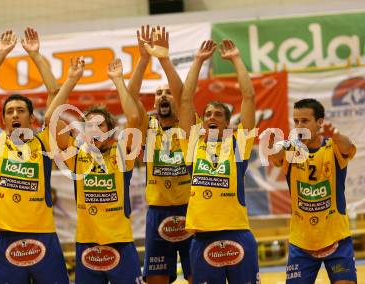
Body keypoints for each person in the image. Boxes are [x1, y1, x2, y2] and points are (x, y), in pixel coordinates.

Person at [0, 28, 69, 283]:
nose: (15, 115)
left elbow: (55, 95)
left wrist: (36, 55)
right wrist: (1, 55)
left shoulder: (44, 140)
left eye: (20, 110)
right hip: (6, 237)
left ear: (31, 117)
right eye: (9, 111)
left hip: (44, 234)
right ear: (3, 119)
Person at [44, 58, 143, 283]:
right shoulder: (77, 155)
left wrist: (118, 81)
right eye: (89, 125)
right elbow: (51, 118)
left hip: (120, 241)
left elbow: (134, 118)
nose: (95, 130)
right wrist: (71, 80)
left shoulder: (121, 153)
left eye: (101, 125)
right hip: (87, 242)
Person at [178, 39, 259, 283]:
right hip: (202, 237)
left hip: (238, 233)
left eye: (218, 114)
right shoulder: (193, 143)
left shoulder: (238, 143)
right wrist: (198, 61)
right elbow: (184, 100)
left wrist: (236, 59)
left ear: (226, 123)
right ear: (202, 121)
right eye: (208, 114)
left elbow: (249, 97)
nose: (212, 117)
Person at [127, 25, 193, 283]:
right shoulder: (148, 124)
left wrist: (164, 60)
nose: (163, 96)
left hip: (190, 210)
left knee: (197, 276)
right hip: (158, 212)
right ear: (154, 102)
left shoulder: (190, 123)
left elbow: (183, 95)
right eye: (158, 93)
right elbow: (130, 96)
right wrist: (143, 60)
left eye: (167, 93)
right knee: (156, 280)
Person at [266, 98, 357, 284]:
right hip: (302, 243)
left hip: (336, 239)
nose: (299, 126)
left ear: (320, 122)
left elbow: (348, 147)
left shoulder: (333, 147)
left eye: (305, 121)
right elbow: (275, 156)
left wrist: (337, 135)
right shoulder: (291, 151)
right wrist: (275, 145)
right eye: (296, 121)